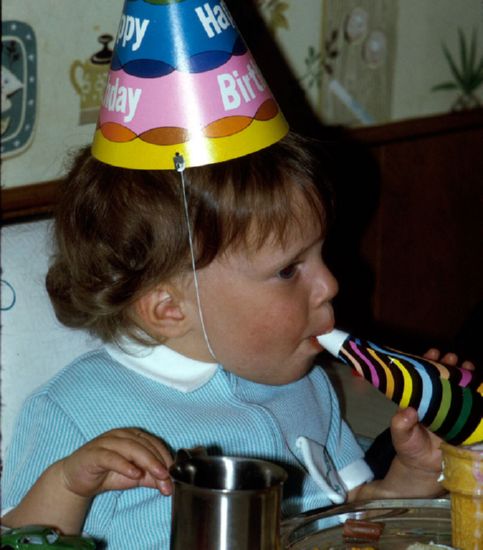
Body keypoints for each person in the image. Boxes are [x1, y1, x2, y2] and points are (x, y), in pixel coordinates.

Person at [0, 132, 462, 548]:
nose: (330, 284)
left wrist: (416, 471)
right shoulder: (75, 408)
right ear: (169, 309)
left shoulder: (307, 384)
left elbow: (358, 521)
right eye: (288, 270)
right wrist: (67, 484)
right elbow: (17, 540)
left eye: (320, 254)